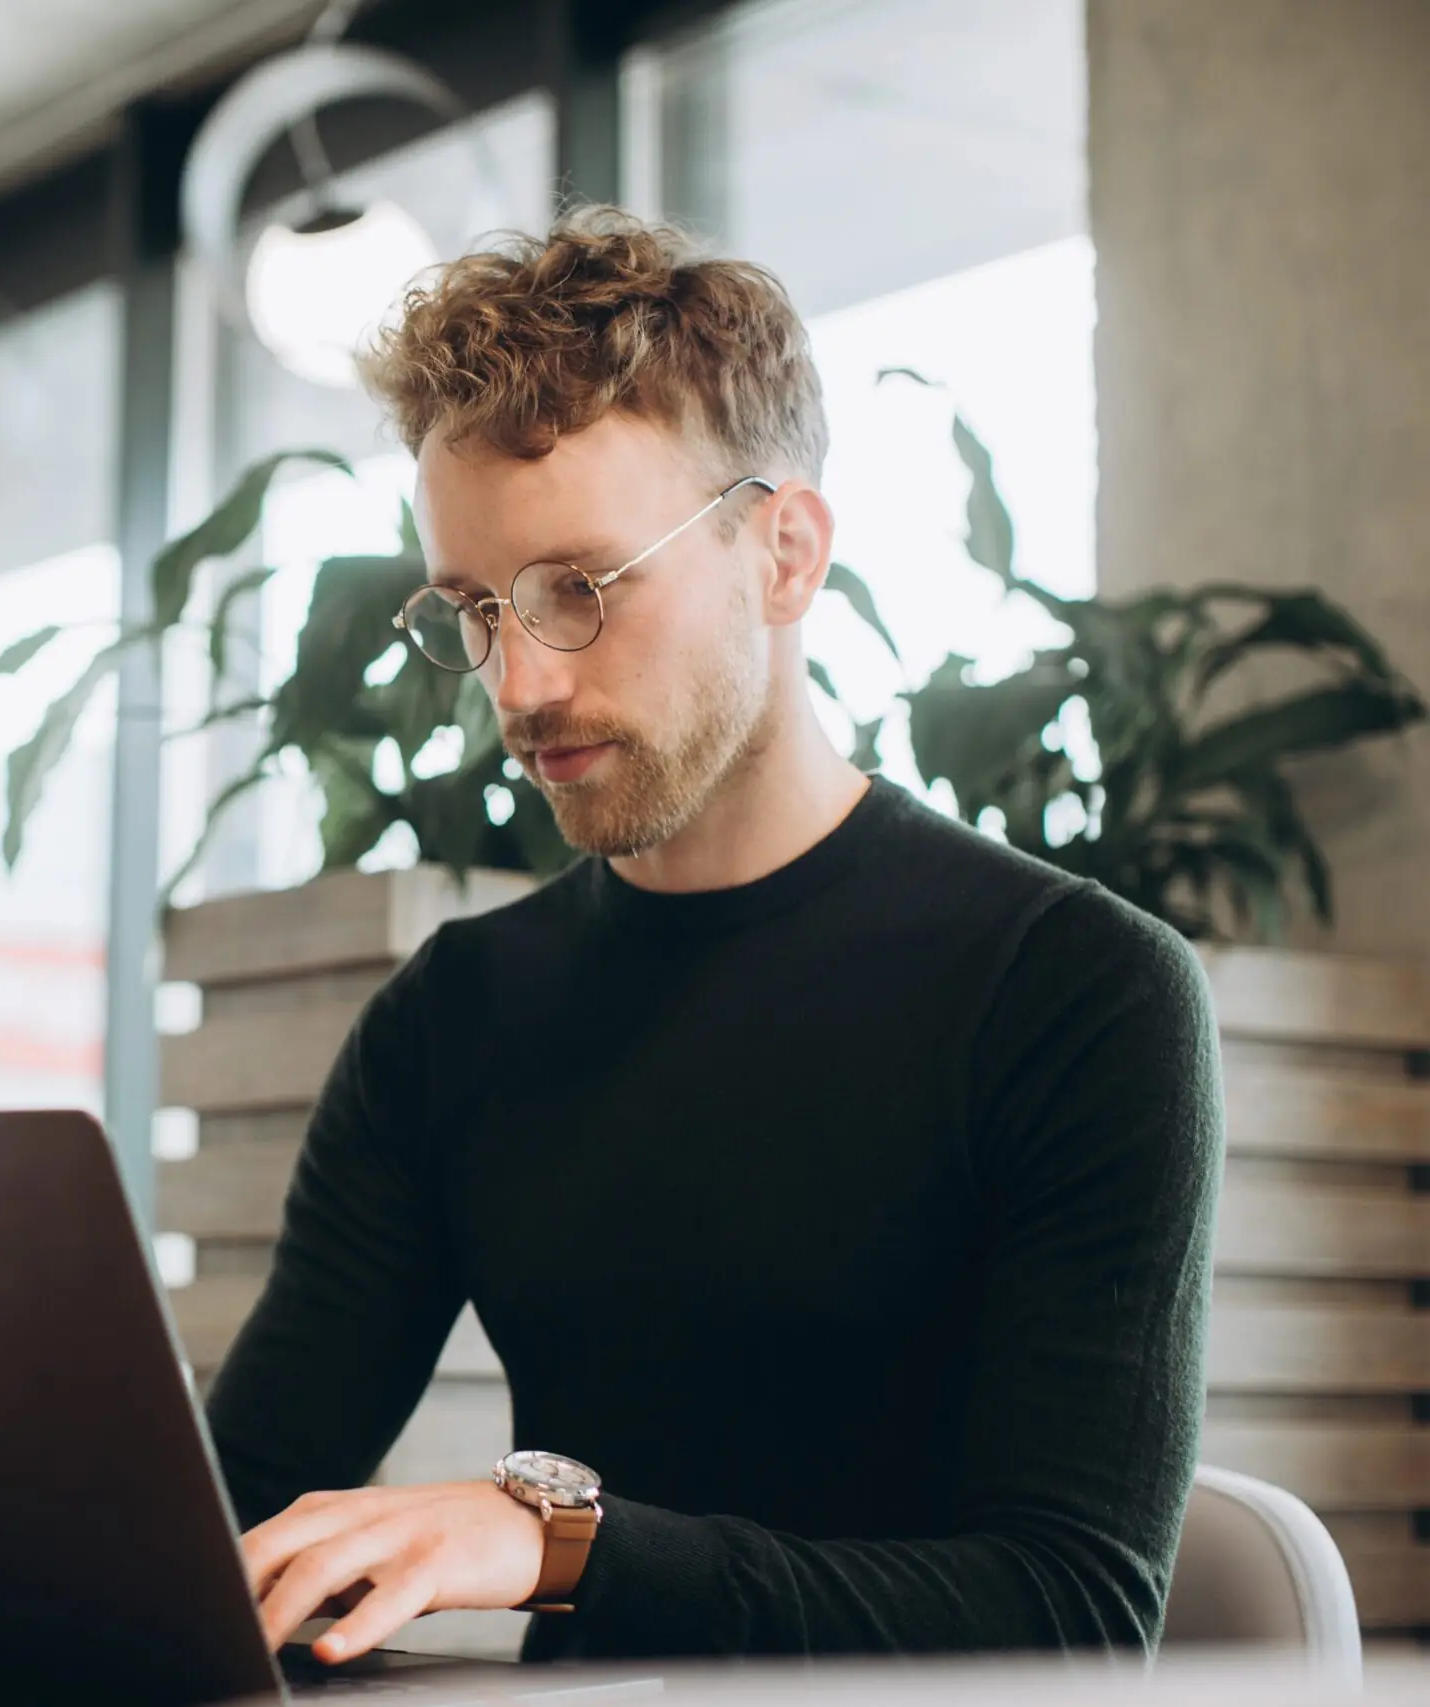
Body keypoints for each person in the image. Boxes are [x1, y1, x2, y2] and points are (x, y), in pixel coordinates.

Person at [205, 207, 1222, 1665]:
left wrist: (564, 1545)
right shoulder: (455, 1021)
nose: (522, 681)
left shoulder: (1077, 991)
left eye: (581, 590)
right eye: (478, 608)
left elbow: (1068, 1619)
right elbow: (233, 1518)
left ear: (786, 553)